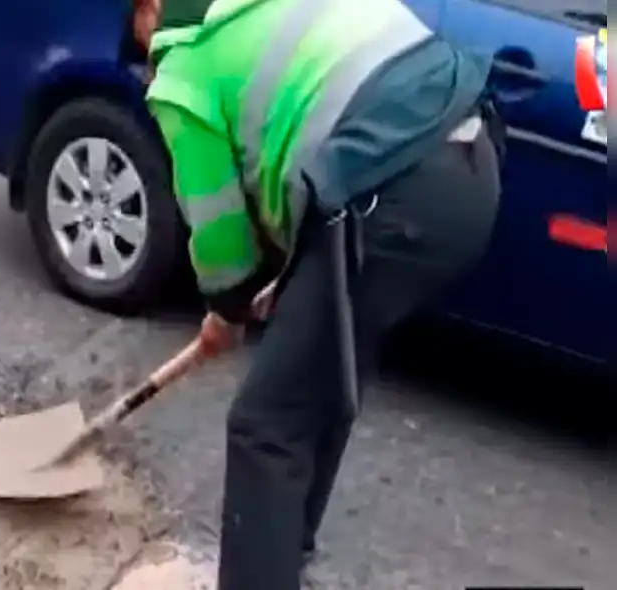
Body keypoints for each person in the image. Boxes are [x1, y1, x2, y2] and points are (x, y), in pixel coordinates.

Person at [132, 0, 504, 588]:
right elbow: (302, 134)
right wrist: (259, 291)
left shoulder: (186, 67)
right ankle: (283, 558)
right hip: (471, 162)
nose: (143, 48)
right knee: (320, 384)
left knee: (265, 427)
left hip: (393, 194)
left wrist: (228, 306)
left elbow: (219, 229)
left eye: (136, 24)